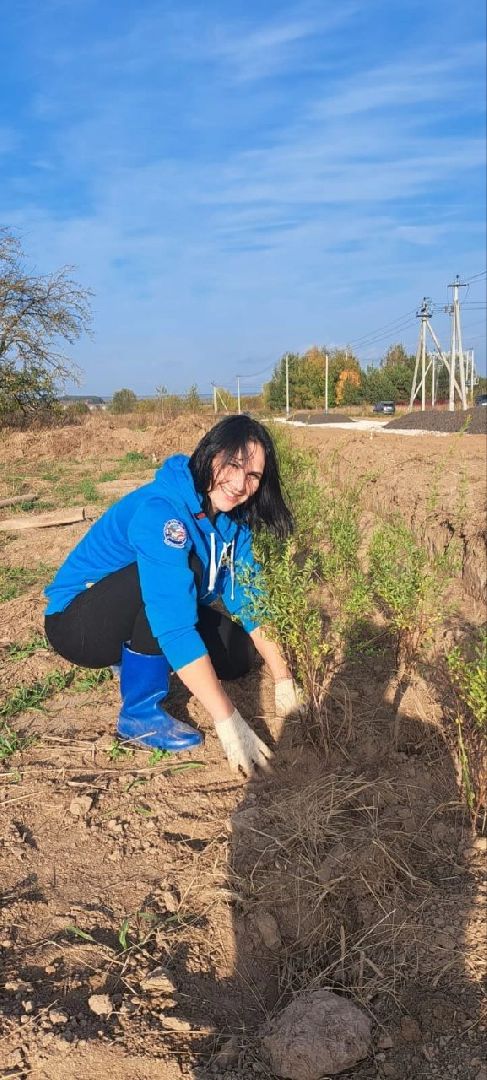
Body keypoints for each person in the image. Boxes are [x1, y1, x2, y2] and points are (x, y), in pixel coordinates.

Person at [44, 414, 302, 774]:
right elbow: (173, 621)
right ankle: (139, 714)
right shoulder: (161, 512)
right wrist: (228, 719)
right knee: (172, 582)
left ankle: (133, 654)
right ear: (210, 454)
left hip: (135, 607)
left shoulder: (233, 524)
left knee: (236, 658)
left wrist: (283, 679)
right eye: (233, 464)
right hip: (78, 623)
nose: (240, 483)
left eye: (254, 476)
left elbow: (250, 599)